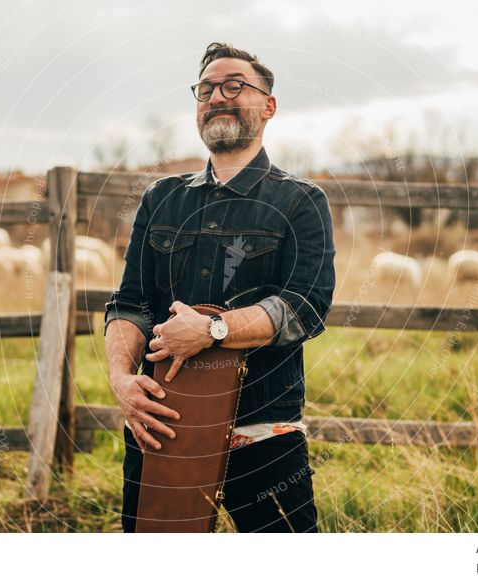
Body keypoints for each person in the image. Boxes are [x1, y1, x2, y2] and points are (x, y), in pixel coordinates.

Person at [103, 41, 336, 532]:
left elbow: (305, 307)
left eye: (235, 86)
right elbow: (130, 303)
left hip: (262, 429)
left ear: (268, 106)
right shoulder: (160, 199)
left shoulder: (301, 202)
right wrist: (122, 382)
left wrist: (213, 330)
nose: (217, 97)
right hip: (161, 425)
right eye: (205, 89)